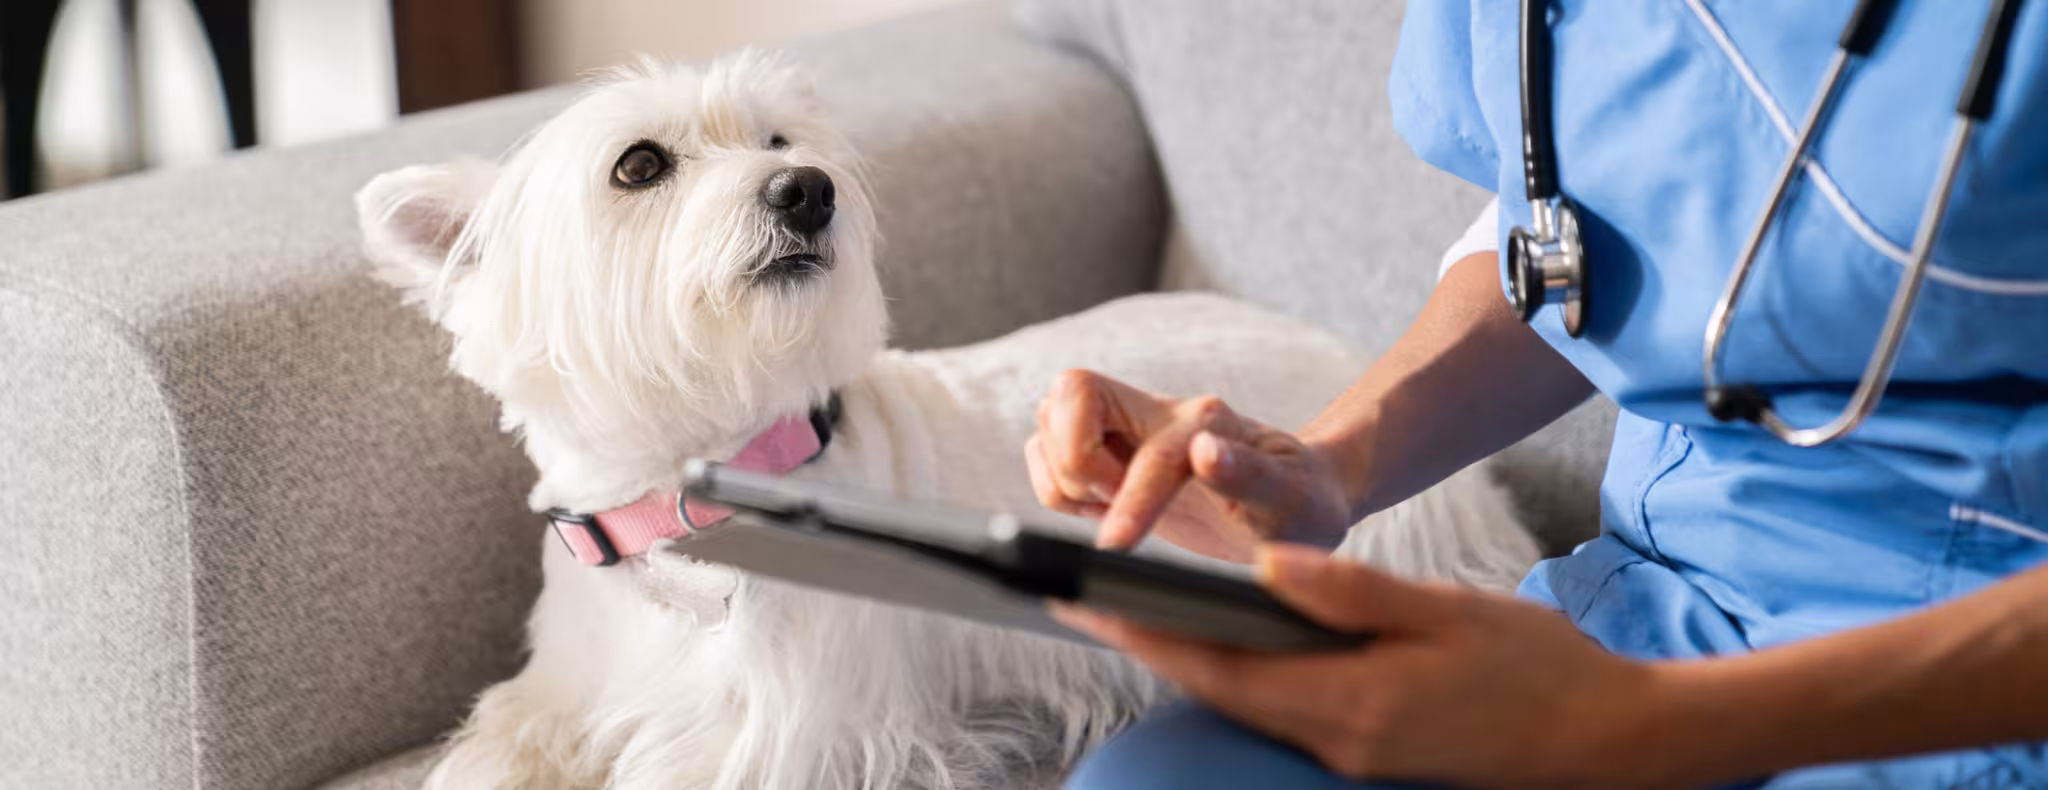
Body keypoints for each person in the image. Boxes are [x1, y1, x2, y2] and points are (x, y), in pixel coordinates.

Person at [1027, 1, 2048, 787]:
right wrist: (1325, 465)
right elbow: (1582, 228)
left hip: (1973, 669)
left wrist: (1646, 724)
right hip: (1664, 620)